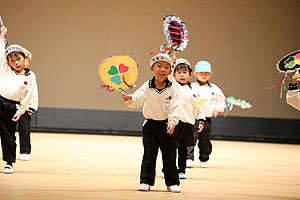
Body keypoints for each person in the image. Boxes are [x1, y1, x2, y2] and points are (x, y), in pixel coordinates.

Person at [122, 53, 181, 193]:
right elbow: (138, 98)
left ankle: (172, 182)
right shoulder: (147, 86)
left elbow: (175, 106)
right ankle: (146, 181)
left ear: (170, 71)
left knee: (170, 155)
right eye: (159, 66)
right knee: (149, 154)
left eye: (166, 67)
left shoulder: (173, 87)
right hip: (150, 126)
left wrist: (173, 121)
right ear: (152, 68)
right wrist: (130, 98)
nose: (162, 69)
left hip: (167, 126)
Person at [0, 25, 37, 174]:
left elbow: (28, 96)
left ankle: (9, 162)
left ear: (24, 59)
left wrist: (21, 110)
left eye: (19, 59)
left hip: (12, 107)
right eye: (12, 60)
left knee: (9, 136)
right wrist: (2, 36)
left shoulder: (30, 76)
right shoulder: (4, 69)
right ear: (7, 62)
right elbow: (0, 51)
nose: (16, 62)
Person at [165, 56, 205, 179]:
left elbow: (199, 107)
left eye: (185, 72)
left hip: (188, 123)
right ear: (174, 74)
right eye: (179, 73)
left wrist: (201, 119)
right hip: (175, 122)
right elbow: (169, 76)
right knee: (171, 148)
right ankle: (167, 170)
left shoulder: (193, 90)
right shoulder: (173, 86)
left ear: (190, 74)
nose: (182, 75)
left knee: (183, 148)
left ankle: (181, 171)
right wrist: (171, 62)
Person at [186, 60, 225, 168]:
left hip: (207, 118)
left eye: (206, 73)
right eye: (201, 73)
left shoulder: (214, 88)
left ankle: (204, 158)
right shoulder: (192, 86)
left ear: (210, 74)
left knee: (205, 140)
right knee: (191, 138)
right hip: (194, 118)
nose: (204, 75)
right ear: (195, 74)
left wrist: (217, 109)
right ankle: (189, 158)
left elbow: (221, 100)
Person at [18, 51, 38, 161]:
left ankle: (25, 151)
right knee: (8, 130)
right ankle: (9, 149)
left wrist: (32, 106)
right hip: (11, 105)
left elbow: (33, 92)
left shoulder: (30, 75)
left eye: (27, 59)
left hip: (25, 107)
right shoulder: (10, 74)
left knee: (24, 130)